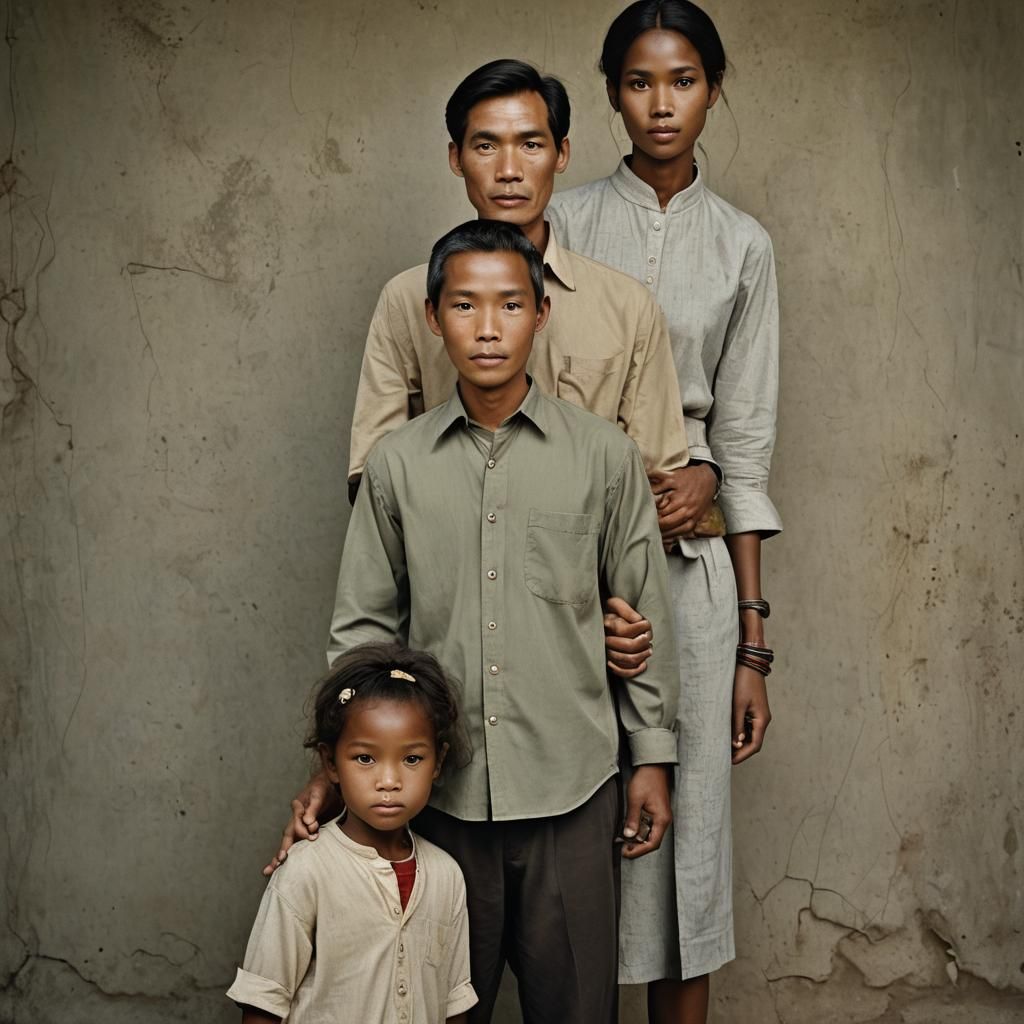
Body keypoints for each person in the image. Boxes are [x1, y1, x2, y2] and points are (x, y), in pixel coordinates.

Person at [265, 57, 695, 870]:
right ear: (455, 156)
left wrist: (589, 603)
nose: (507, 168)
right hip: (446, 673)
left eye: (529, 144)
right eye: (484, 145)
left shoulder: (625, 306)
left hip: (578, 676)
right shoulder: (404, 303)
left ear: (562, 153)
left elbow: (654, 501)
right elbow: (377, 492)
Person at [328, 219, 680, 1023]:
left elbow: (642, 607)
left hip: (574, 789)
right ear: (431, 317)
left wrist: (653, 756)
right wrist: (347, 767)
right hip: (439, 797)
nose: (488, 328)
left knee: (580, 1008)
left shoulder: (604, 457)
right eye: (464, 306)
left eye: (511, 305)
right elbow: (360, 633)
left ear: (541, 315)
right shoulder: (397, 465)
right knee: (439, 1008)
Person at [546, 3, 783, 1022]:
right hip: (572, 569)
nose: (660, 102)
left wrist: (751, 645)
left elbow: (746, 440)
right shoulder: (561, 223)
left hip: (690, 581)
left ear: (714, 89)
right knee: (573, 836)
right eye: (639, 81)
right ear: (610, 93)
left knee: (684, 848)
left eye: (682, 79)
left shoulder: (742, 246)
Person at [226, 642, 477, 1024]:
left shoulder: (447, 876)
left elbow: (453, 1004)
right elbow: (262, 1004)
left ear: (438, 762)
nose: (389, 781)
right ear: (330, 763)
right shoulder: (306, 871)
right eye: (365, 758)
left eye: (412, 759)